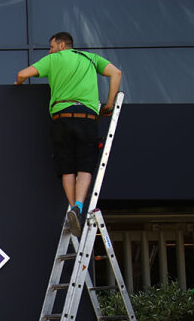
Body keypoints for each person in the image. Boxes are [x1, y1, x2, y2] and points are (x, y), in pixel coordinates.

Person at [14, 31, 122, 236]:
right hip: (88, 117)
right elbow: (116, 73)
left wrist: (17, 85)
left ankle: (72, 207)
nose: (50, 51)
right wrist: (109, 104)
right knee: (85, 166)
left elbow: (22, 74)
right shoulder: (91, 58)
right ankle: (78, 207)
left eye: (52, 47)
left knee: (66, 168)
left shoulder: (54, 59)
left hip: (62, 116)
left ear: (62, 45)